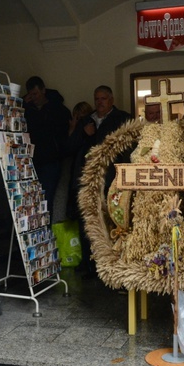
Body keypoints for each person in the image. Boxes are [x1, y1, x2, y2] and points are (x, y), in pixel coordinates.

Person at [66, 85, 130, 278]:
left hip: (110, 178)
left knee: (110, 221)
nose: (99, 102)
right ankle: (88, 262)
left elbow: (127, 149)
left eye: (103, 99)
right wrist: (83, 133)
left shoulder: (122, 118)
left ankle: (109, 263)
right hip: (87, 179)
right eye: (97, 99)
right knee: (88, 220)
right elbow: (69, 148)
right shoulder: (87, 120)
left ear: (111, 100)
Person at [23, 76, 70, 219]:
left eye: (36, 94)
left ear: (43, 90)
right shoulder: (27, 109)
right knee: (30, 200)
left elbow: (63, 132)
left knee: (46, 199)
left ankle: (46, 233)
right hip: (31, 161)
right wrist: (23, 106)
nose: (34, 98)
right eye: (30, 95)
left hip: (51, 161)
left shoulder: (57, 109)